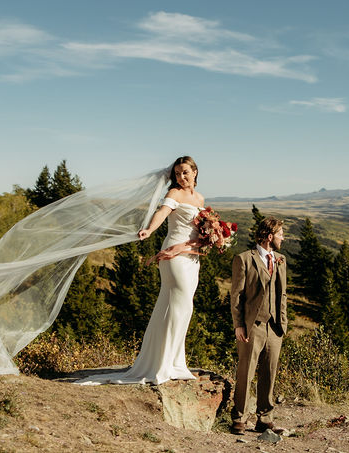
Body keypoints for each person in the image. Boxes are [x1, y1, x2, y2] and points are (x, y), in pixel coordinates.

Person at [78, 155, 205, 385]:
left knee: (180, 306)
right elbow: (162, 212)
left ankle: (173, 361)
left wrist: (213, 235)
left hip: (191, 257)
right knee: (180, 305)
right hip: (173, 256)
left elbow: (200, 230)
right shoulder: (174, 194)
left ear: (195, 172)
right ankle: (167, 364)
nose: (181, 177)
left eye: (185, 172)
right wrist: (149, 229)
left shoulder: (200, 198)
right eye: (177, 173)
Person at [230, 216, 288, 435]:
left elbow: (282, 294)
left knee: (269, 373)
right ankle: (240, 418)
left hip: (275, 327)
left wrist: (283, 321)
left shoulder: (281, 259)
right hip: (252, 326)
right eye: (281, 234)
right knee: (246, 372)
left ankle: (264, 418)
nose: (284, 238)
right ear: (270, 236)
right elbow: (236, 296)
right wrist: (239, 325)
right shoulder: (244, 259)